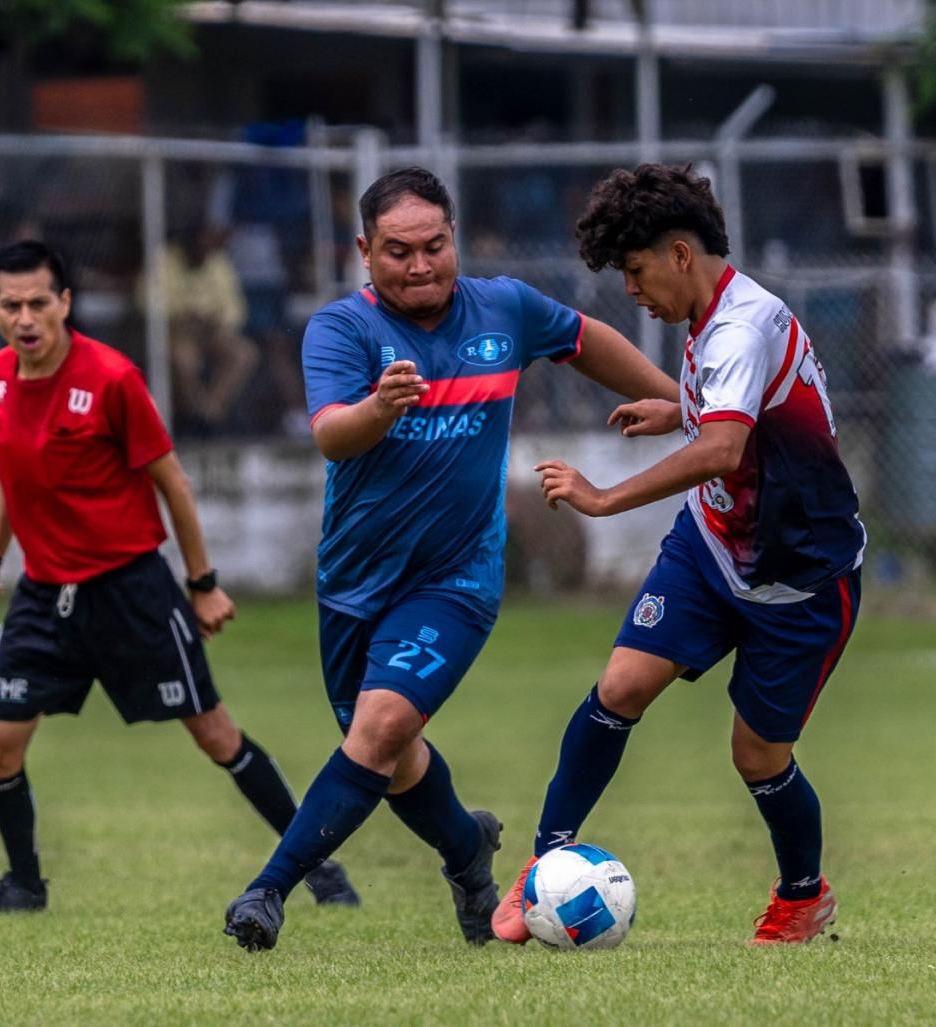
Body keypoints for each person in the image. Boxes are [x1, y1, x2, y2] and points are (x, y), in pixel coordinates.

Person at [221, 166, 678, 952]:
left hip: (457, 579)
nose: (421, 264)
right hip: (355, 583)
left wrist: (683, 401)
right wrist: (379, 407)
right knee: (390, 757)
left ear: (453, 239)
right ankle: (469, 854)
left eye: (435, 245)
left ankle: (269, 891)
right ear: (365, 251)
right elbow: (332, 433)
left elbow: (583, 339)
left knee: (380, 726)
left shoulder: (503, 307)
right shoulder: (341, 330)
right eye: (399, 250)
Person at [490, 163, 866, 946]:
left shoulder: (739, 326)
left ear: (681, 254)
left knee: (757, 756)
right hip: (712, 545)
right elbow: (733, 420)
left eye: (636, 269)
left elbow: (725, 448)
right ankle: (543, 865)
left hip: (800, 577)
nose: (631, 289)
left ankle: (804, 895)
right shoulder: (713, 318)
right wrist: (678, 407)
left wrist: (601, 497)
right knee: (622, 682)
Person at [0, 240, 359, 913]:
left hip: (131, 588)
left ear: (65, 304)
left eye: (39, 303)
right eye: (11, 305)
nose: (26, 318)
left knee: (216, 736)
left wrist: (203, 582)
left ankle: (315, 865)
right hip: (45, 596)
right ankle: (24, 884)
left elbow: (174, 484)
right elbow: (13, 478)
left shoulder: (110, 378)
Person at [161, 225, 260, 433]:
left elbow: (235, 308)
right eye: (200, 246)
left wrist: (216, 319)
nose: (204, 251)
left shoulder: (217, 261)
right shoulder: (165, 260)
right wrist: (184, 313)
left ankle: (209, 414)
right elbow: (148, 302)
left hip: (211, 332)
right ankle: (194, 416)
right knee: (185, 360)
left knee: (244, 354)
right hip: (176, 331)